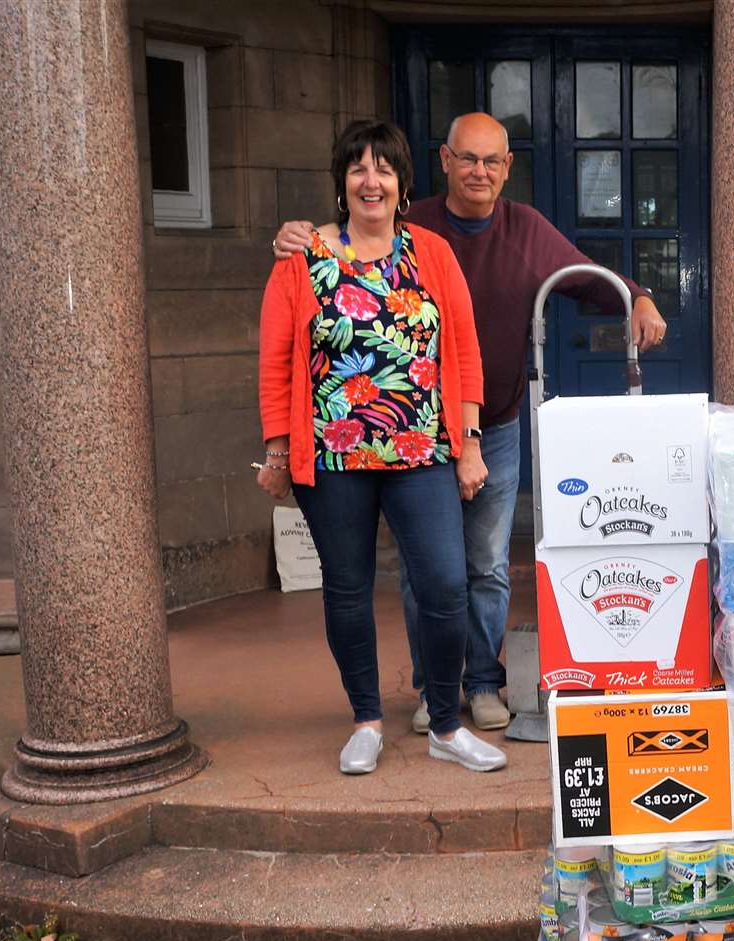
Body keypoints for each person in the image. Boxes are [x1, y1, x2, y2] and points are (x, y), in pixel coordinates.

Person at [272, 112, 667, 736]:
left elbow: (583, 277)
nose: (479, 171)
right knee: (426, 569)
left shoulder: (524, 228)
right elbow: (327, 261)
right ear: (444, 161)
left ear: (507, 169)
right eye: (467, 158)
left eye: (492, 161)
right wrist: (297, 236)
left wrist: (636, 294)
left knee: (482, 563)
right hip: (416, 436)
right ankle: (435, 688)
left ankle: (482, 681)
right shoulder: (412, 223)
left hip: (496, 424)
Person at [256, 119, 508, 776]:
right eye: (359, 169)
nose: (372, 181)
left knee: (447, 586)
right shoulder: (302, 256)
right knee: (347, 590)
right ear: (343, 183)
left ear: (402, 184)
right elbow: (277, 361)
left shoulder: (430, 252)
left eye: (385, 169)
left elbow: (464, 352)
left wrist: (471, 443)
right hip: (332, 459)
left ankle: (446, 724)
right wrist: (279, 450)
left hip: (421, 453)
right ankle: (366, 719)